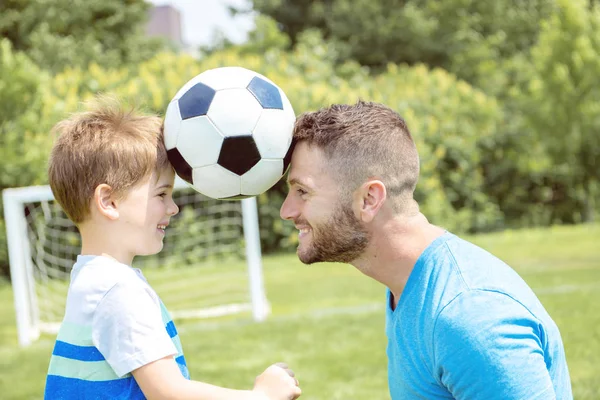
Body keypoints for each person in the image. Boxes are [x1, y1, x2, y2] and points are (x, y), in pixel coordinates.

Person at [279, 100, 572, 399]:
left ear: (369, 199)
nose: (286, 211)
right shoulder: (407, 287)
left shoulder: (470, 317)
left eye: (302, 191)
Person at [44, 95, 302, 400]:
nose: (173, 208)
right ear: (108, 202)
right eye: (162, 194)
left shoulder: (91, 280)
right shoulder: (117, 291)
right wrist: (262, 396)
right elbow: (169, 393)